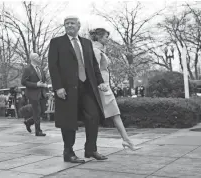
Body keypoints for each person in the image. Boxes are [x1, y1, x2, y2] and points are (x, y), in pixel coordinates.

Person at [48, 16, 109, 163]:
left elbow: (94, 66)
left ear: (78, 25)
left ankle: (91, 149)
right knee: (69, 121)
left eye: (72, 23)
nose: (69, 26)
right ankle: (68, 152)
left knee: (93, 116)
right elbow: (53, 66)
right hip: (67, 89)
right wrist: (58, 87)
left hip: (87, 87)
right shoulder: (57, 42)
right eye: (66, 23)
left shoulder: (87, 43)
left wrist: (100, 82)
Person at [89, 28, 141, 151]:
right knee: (112, 114)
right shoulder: (96, 51)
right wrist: (100, 84)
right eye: (106, 37)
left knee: (114, 114)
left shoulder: (99, 50)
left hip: (105, 87)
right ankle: (126, 140)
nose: (108, 39)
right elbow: (93, 71)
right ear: (100, 38)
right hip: (102, 88)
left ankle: (126, 140)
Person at [21, 52, 47, 136]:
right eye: (37, 57)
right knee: (37, 111)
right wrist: (36, 85)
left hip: (42, 93)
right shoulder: (27, 69)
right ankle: (38, 131)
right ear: (32, 58)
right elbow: (23, 82)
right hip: (33, 93)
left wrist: (44, 84)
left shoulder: (40, 69)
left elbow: (43, 80)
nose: (39, 58)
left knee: (42, 111)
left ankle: (28, 122)